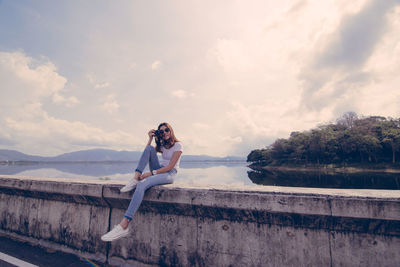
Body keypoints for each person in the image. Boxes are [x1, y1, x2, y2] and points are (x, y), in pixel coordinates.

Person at [101, 122, 182, 242]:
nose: (164, 133)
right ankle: (136, 176)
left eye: (167, 130)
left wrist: (151, 173)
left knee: (142, 184)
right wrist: (150, 139)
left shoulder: (177, 145)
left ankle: (124, 225)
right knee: (149, 148)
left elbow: (170, 166)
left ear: (171, 131)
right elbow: (147, 152)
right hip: (159, 169)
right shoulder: (162, 145)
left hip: (170, 174)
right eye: (162, 131)